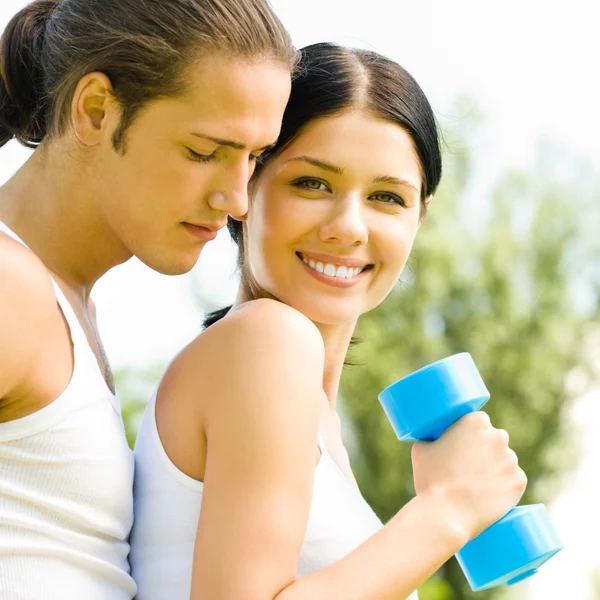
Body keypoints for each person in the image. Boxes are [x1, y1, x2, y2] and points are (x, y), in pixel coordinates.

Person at [130, 42, 527, 600]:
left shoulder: (315, 420)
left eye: (387, 197)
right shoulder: (266, 341)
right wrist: (447, 510)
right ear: (246, 185)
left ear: (420, 217)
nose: (348, 227)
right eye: (312, 183)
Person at [0, 0, 294, 597]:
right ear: (96, 110)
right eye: (204, 151)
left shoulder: (64, 305)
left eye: (254, 158)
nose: (238, 200)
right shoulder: (10, 288)